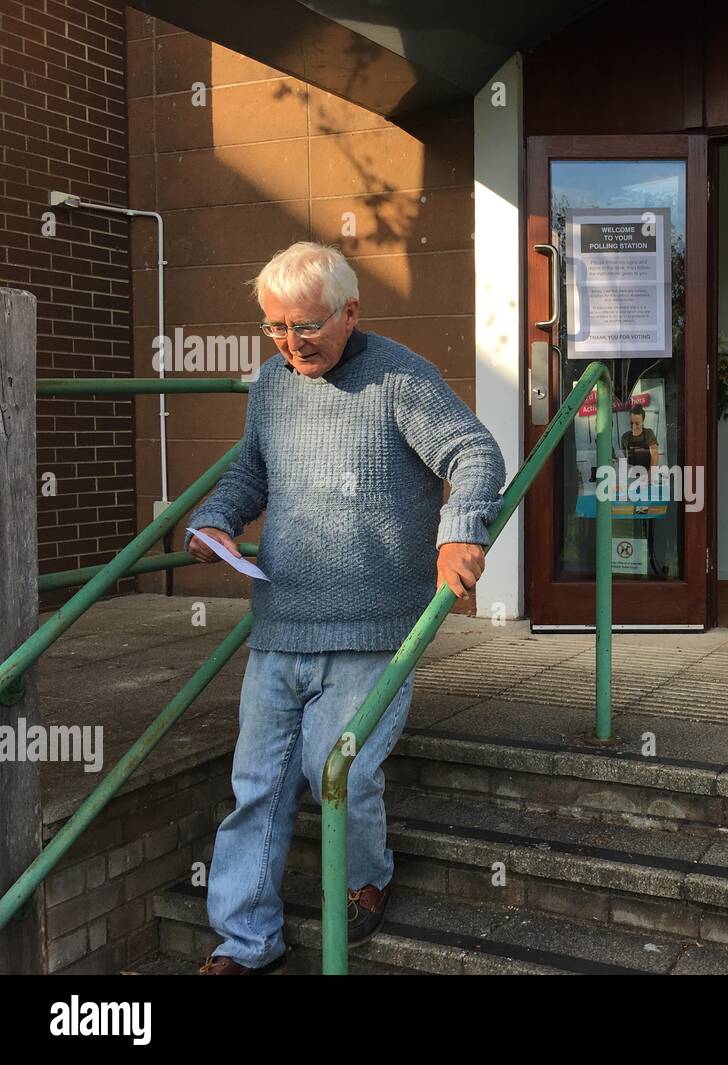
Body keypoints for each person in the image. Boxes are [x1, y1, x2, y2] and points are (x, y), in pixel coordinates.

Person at [184, 242, 505, 974]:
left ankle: (365, 879)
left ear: (350, 310)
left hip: (372, 632)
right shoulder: (271, 383)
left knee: (345, 773)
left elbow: (474, 453)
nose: (292, 344)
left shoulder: (401, 376)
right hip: (280, 624)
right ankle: (245, 940)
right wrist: (214, 519)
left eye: (306, 326)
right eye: (275, 328)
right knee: (257, 787)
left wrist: (458, 534)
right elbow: (250, 475)